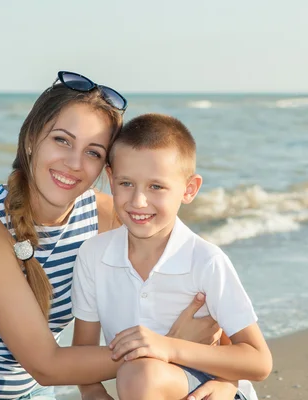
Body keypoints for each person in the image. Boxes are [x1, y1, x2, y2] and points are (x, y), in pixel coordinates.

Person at [0, 72, 236, 400]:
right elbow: (46, 364)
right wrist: (166, 346)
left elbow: (202, 291)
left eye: (93, 152)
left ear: (107, 168)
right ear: (31, 138)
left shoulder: (108, 215)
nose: (73, 163)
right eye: (62, 140)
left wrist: (224, 379)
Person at [71, 113, 273, 400]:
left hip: (208, 392)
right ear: (110, 179)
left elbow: (259, 361)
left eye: (156, 186)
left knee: (140, 375)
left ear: (189, 189)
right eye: (126, 183)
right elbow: (83, 359)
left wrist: (168, 347)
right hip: (139, 390)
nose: (138, 201)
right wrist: (93, 392)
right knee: (138, 377)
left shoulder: (205, 261)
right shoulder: (93, 256)